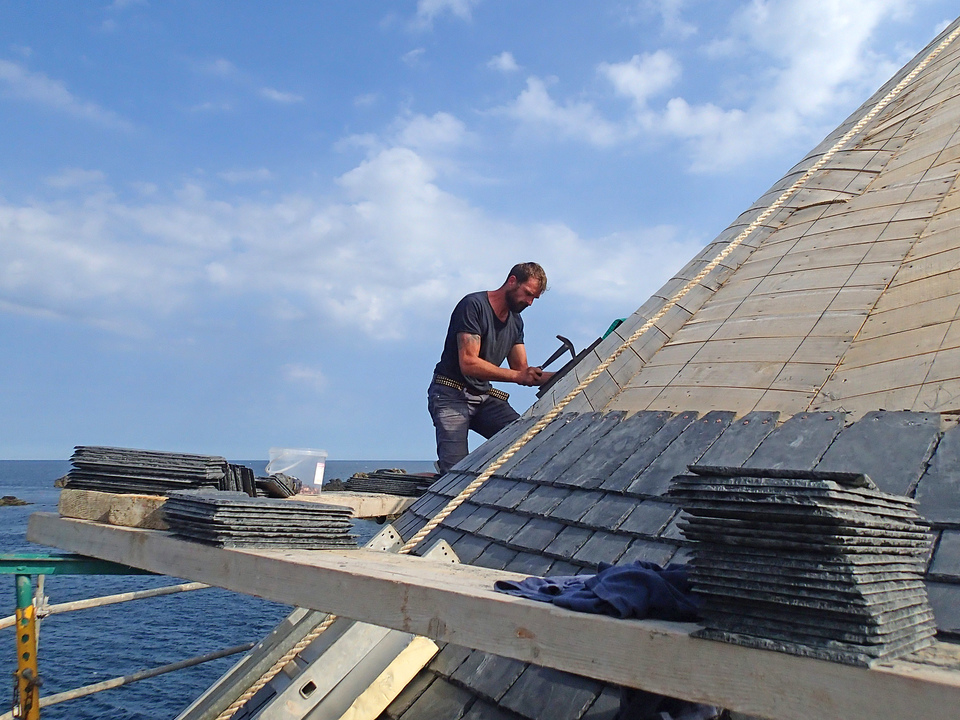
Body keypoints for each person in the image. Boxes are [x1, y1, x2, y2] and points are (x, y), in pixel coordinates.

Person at [428, 262, 554, 474]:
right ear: (512, 281)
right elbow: (468, 363)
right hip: (449, 394)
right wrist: (518, 376)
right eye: (528, 294)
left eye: (534, 298)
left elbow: (522, 369)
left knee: (526, 440)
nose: (530, 302)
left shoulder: (516, 322)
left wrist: (568, 373)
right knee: (453, 473)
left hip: (483, 397)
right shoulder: (473, 306)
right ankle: (442, 472)